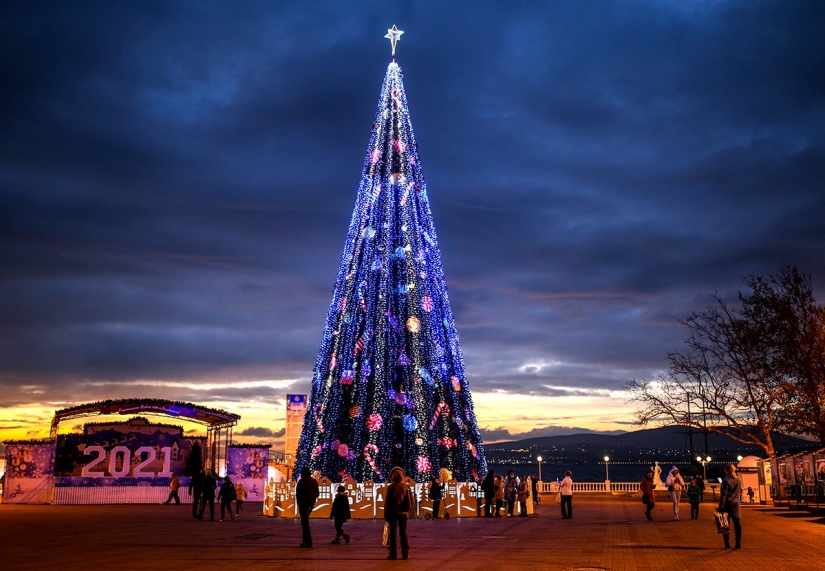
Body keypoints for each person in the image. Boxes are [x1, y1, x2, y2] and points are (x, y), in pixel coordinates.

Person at [384, 466, 413, 560]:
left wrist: (386, 514)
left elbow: (387, 502)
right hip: (403, 513)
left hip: (392, 512)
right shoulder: (406, 487)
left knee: (392, 533)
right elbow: (411, 500)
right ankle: (405, 552)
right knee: (403, 532)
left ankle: (393, 553)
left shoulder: (390, 487)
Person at [719, 463, 743, 549]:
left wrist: (721, 506)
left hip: (727, 504)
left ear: (726, 471)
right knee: (737, 524)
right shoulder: (738, 480)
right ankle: (738, 543)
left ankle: (727, 543)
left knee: (726, 525)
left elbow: (723, 495)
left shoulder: (726, 480)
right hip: (736, 504)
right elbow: (739, 491)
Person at [296, 466, 320, 548]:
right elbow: (317, 493)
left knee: (304, 523)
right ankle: (306, 541)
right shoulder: (313, 481)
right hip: (311, 503)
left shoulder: (301, 482)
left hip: (303, 504)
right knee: (305, 522)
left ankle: (307, 541)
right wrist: (313, 498)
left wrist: (299, 502)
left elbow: (298, 493)